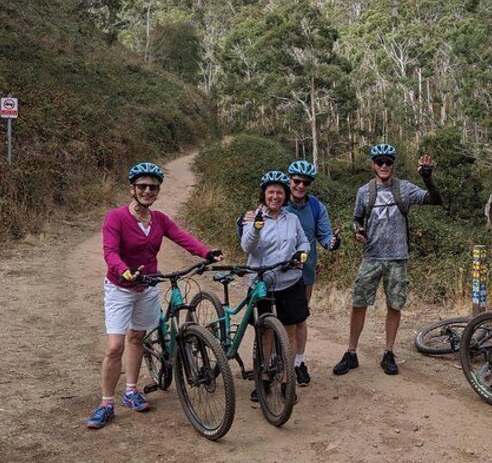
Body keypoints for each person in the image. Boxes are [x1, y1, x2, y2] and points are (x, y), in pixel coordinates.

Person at [87, 162, 223, 430]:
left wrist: (205, 253)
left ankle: (131, 391)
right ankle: (105, 404)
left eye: (153, 187)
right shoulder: (116, 217)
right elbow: (110, 252)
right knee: (115, 347)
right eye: (142, 186)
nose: (147, 191)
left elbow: (181, 236)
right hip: (120, 288)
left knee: (137, 337)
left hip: (149, 285)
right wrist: (124, 272)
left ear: (158, 191)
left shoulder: (159, 219)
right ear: (132, 189)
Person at [333, 143, 442, 377]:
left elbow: (435, 199)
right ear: (373, 165)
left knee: (394, 306)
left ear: (393, 164)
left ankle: (388, 353)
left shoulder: (405, 188)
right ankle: (351, 352)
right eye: (380, 162)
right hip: (371, 256)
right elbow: (356, 219)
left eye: (388, 162)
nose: (384, 166)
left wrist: (427, 178)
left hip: (397, 258)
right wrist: (358, 230)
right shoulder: (364, 191)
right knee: (358, 303)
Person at [240, 171, 310, 401]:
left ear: (286, 195)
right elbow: (247, 248)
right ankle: (264, 377)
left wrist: (302, 253)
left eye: (280, 192)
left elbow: (303, 241)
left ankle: (287, 382)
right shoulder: (254, 218)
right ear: (264, 194)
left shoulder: (292, 219)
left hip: (289, 281)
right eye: (271, 192)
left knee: (290, 331)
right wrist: (257, 228)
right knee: (265, 332)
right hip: (263, 283)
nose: (275, 196)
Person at [284, 160, 340, 386]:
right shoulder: (278, 200)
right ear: (290, 180)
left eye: (305, 183)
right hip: (276, 272)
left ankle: (298, 362)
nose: (300, 186)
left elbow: (324, 237)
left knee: (299, 318)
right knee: (276, 321)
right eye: (296, 181)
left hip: (305, 273)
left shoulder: (316, 207)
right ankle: (274, 363)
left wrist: (333, 243)